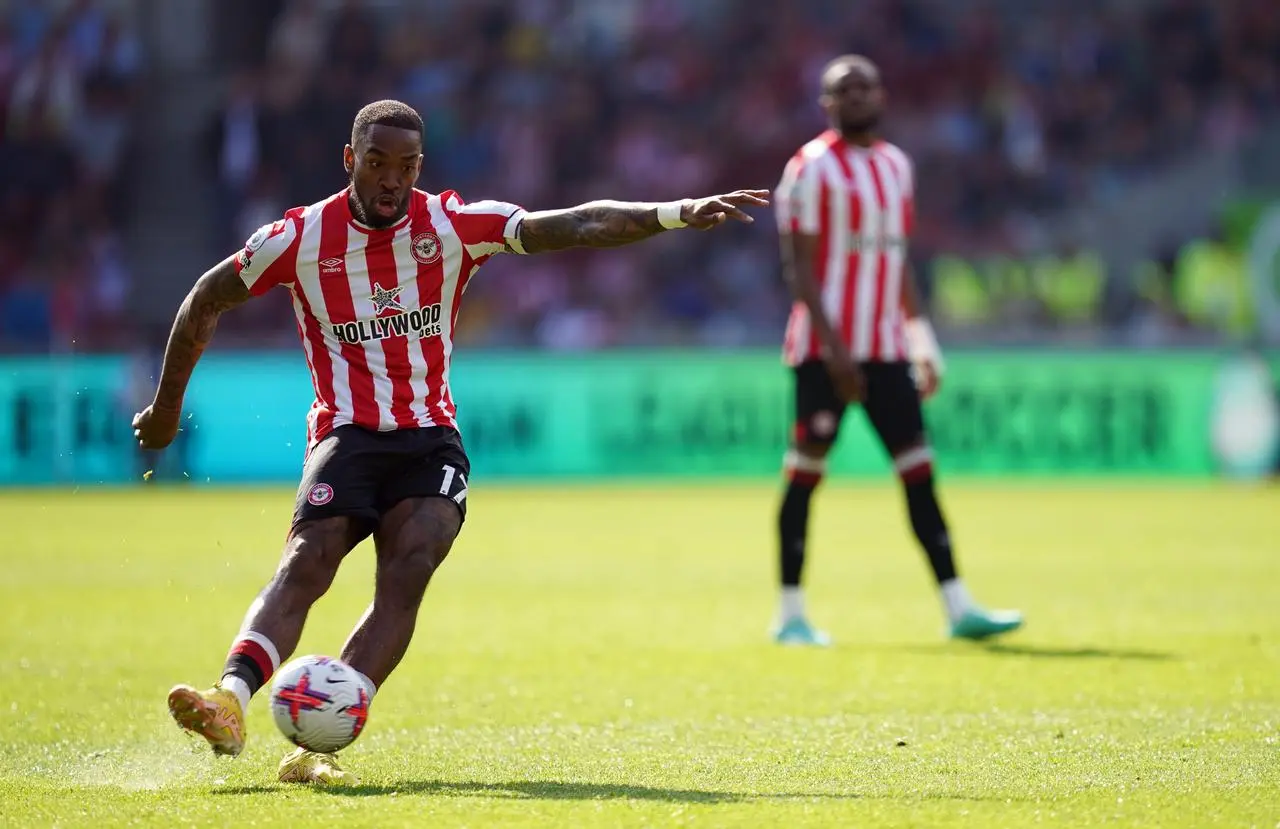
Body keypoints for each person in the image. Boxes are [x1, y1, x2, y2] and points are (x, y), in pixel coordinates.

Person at [133, 99, 770, 785]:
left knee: (410, 566)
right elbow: (205, 298)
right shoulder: (300, 238)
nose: (390, 180)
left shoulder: (454, 225)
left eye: (406, 167)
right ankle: (229, 700)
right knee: (308, 561)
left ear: (420, 168)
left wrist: (675, 212)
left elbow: (579, 222)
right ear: (351, 159)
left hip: (431, 439)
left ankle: (318, 738)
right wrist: (167, 409)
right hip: (347, 434)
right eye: (377, 163)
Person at [769, 56, 1022, 647]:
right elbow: (798, 268)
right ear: (826, 104)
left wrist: (920, 340)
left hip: (885, 349)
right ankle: (790, 615)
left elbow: (896, 258)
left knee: (919, 472)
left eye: (865, 87)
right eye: (842, 90)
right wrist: (836, 353)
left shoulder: (895, 166)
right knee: (806, 474)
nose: (856, 96)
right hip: (823, 350)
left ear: (881, 95)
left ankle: (959, 607)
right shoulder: (808, 169)